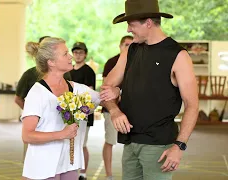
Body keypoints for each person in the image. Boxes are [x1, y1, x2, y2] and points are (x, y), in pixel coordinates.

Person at [100, 0, 199, 179]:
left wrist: (179, 146)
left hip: (159, 146)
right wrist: (114, 111)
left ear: (148, 23)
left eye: (131, 24)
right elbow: (107, 86)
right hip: (130, 142)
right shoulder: (130, 51)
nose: (128, 30)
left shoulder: (178, 55)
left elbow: (192, 105)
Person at [21, 37, 101, 180]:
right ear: (51, 62)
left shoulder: (76, 88)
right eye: (65, 54)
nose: (71, 56)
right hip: (43, 167)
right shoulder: (37, 93)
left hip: (68, 164)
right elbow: (27, 136)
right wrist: (61, 134)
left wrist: (115, 95)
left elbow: (103, 98)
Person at [15, 36, 71, 163]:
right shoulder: (29, 75)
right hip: (37, 131)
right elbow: (18, 99)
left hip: (59, 130)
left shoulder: (65, 74)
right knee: (34, 160)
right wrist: (34, 114)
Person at [101, 35, 133, 180]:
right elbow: (105, 87)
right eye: (125, 44)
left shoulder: (138, 61)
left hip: (132, 110)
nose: (128, 47)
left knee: (133, 145)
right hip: (112, 109)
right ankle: (109, 175)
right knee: (110, 141)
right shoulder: (111, 62)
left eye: (131, 45)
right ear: (120, 46)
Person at [69, 42, 96, 180]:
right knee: (71, 143)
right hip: (69, 112)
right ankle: (72, 170)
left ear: (85, 54)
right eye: (75, 52)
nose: (78, 55)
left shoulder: (88, 71)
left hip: (83, 112)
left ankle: (83, 172)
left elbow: (89, 92)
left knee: (82, 143)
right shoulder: (69, 71)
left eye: (80, 52)